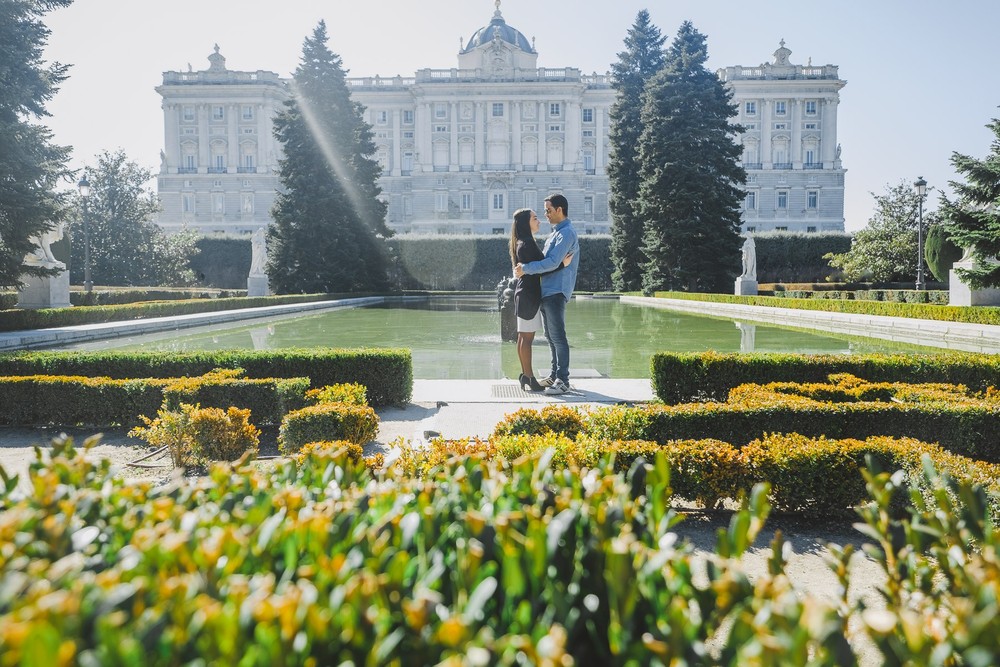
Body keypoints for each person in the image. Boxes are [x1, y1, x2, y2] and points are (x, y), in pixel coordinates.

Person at [515, 194, 580, 395]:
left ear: (560, 210)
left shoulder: (566, 233)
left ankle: (563, 380)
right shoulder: (555, 234)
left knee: (558, 337)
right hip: (546, 290)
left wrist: (525, 268)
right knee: (551, 337)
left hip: (556, 290)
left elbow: (551, 263)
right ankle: (554, 375)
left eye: (548, 210)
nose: (546, 215)